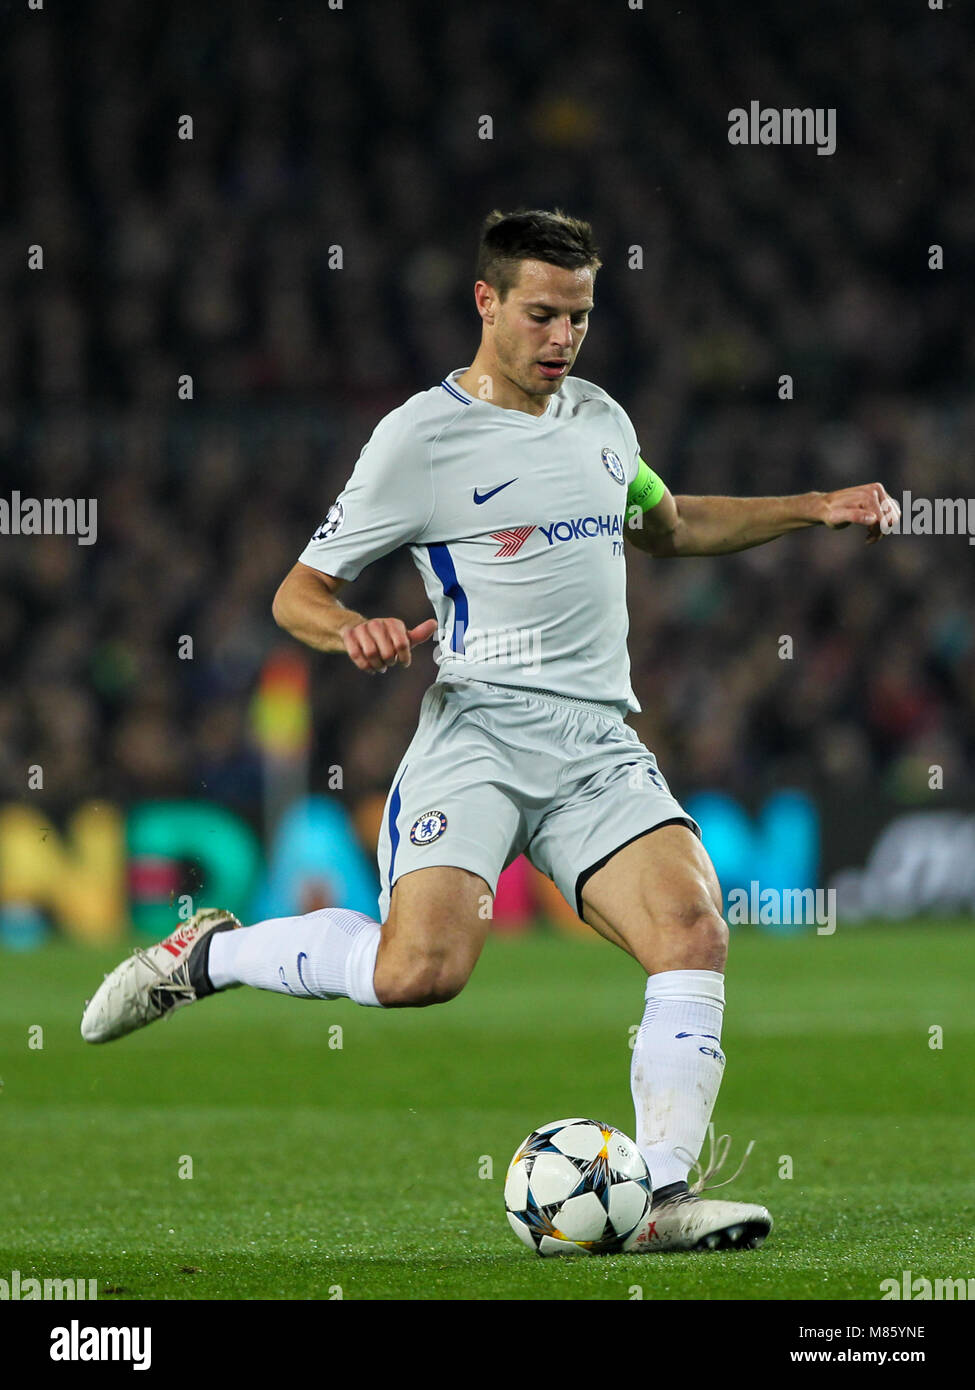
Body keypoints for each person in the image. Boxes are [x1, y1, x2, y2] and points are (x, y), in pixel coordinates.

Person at [82, 209, 899, 1253]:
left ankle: (663, 1197)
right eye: (543, 314)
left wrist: (813, 503)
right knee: (417, 973)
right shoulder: (420, 438)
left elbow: (670, 524)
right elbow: (298, 592)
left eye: (582, 317)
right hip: (479, 734)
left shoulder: (602, 419)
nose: (563, 338)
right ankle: (216, 956)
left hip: (599, 740)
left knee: (693, 930)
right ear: (487, 302)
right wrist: (354, 628)